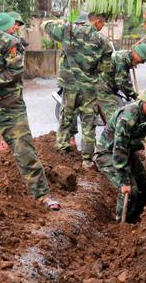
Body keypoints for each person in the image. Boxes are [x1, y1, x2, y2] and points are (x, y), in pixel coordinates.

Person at [0, 2, 60, 210]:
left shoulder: (9, 43)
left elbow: (15, 72)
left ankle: (43, 196)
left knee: (24, 151)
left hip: (10, 107)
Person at [42, 12, 113, 168]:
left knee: (66, 118)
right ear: (98, 21)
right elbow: (106, 67)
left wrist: (58, 20)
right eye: (103, 24)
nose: (102, 27)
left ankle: (62, 153)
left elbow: (45, 25)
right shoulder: (104, 42)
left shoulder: (69, 30)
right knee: (88, 124)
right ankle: (87, 160)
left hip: (70, 86)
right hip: (89, 89)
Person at [93, 84, 146, 223]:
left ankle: (133, 217)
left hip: (126, 152)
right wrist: (124, 181)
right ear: (144, 101)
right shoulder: (128, 118)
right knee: (130, 190)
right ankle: (121, 225)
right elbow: (119, 149)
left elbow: (132, 141)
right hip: (108, 154)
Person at [96, 44, 146, 122]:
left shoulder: (127, 58)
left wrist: (129, 94)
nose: (142, 62)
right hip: (102, 89)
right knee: (115, 118)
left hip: (108, 88)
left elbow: (126, 81)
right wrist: (135, 95)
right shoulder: (121, 59)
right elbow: (121, 81)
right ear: (136, 53)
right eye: (142, 59)